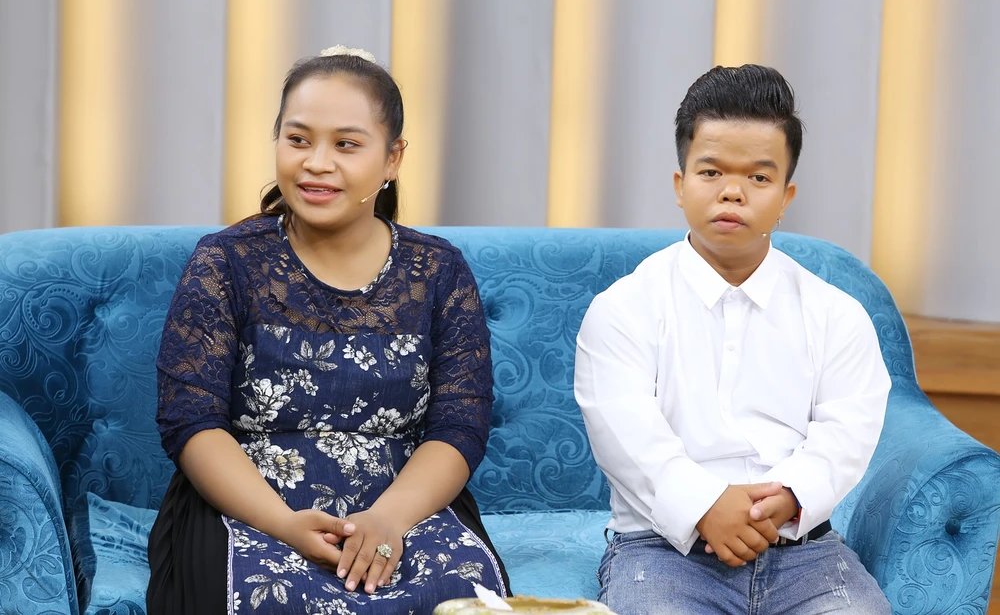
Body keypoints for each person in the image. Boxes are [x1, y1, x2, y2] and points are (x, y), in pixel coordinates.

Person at [146, 45, 509, 615]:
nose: (316, 162)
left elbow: (460, 425)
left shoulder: (439, 271)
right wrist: (283, 524)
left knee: (459, 599)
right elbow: (190, 421)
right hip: (249, 506)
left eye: (346, 144)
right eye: (298, 139)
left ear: (392, 159)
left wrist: (389, 518)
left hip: (401, 507)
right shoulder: (226, 262)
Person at [574, 65, 892, 614]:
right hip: (663, 548)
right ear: (680, 185)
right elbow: (623, 431)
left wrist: (789, 495)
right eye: (711, 172)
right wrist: (704, 505)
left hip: (804, 553)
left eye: (759, 178)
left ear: (786, 196)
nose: (732, 192)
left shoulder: (835, 314)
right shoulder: (624, 308)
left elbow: (849, 428)